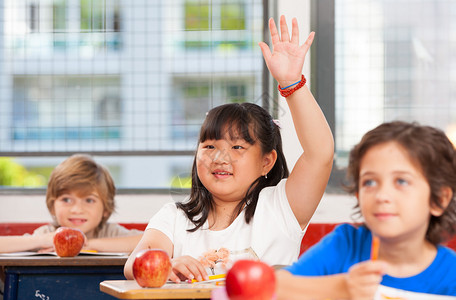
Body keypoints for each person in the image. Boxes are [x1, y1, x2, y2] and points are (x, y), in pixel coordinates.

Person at [124, 15, 334, 283]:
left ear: (266, 162)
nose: (220, 158)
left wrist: (291, 84)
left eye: (237, 147)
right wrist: (169, 265)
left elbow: (321, 154)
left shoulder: (282, 207)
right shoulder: (174, 217)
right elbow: (134, 265)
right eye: (210, 146)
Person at [276, 121, 456, 299]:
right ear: (358, 194)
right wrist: (339, 288)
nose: (381, 195)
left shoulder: (451, 274)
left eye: (401, 181)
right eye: (369, 182)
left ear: (439, 200)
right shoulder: (346, 245)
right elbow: (273, 288)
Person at [0, 154, 143, 253]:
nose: (76, 209)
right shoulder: (48, 234)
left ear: (106, 208)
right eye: (66, 200)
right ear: (52, 206)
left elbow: (149, 242)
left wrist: (87, 244)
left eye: (89, 200)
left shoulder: (111, 232)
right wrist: (42, 240)